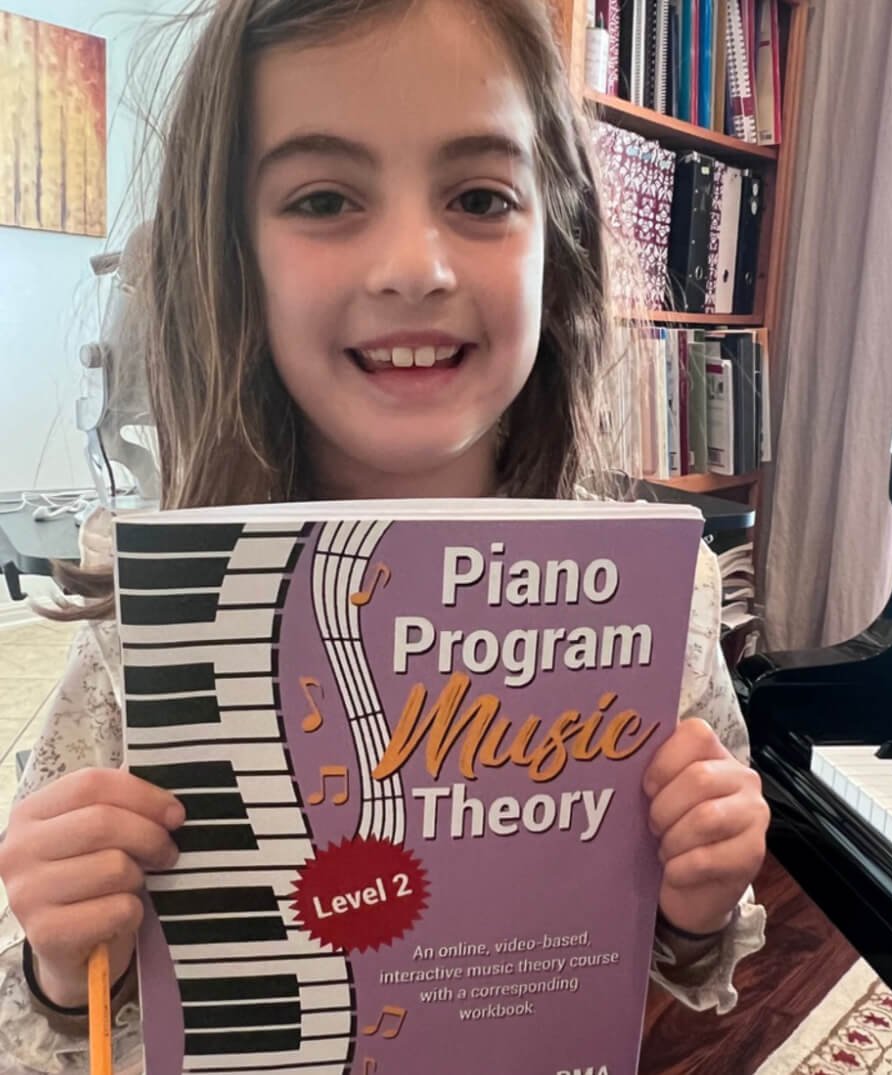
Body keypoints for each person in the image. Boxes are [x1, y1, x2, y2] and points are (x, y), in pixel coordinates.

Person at [0, 1, 770, 1070]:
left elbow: (670, 958)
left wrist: (696, 899)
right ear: (232, 255)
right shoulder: (159, 624)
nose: (416, 266)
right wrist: (59, 948)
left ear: (561, 237)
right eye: (324, 198)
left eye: (480, 197)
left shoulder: (655, 600)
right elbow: (45, 1010)